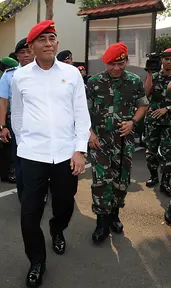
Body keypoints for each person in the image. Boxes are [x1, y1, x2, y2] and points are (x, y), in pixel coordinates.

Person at [11, 20, 91, 287]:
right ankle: (36, 261)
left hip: (66, 154)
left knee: (65, 203)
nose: (48, 43)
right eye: (42, 39)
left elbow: (82, 113)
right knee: (29, 212)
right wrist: (24, 143)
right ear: (31, 46)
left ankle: (57, 229)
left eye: (52, 38)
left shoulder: (72, 73)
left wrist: (80, 150)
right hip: (33, 155)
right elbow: (18, 113)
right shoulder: (20, 76)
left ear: (57, 43)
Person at [87, 42, 148, 243]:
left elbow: (142, 105)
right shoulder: (94, 82)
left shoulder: (133, 81)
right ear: (105, 63)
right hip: (100, 142)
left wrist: (133, 122)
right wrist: (90, 134)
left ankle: (114, 215)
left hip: (124, 141)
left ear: (126, 62)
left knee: (121, 181)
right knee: (100, 181)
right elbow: (82, 112)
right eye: (112, 64)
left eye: (120, 63)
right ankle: (101, 221)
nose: (116, 68)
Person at [0, 37, 35, 202]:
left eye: (28, 51)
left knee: (40, 161)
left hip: (40, 123)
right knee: (20, 161)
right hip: (18, 124)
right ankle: (24, 196)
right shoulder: (10, 75)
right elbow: (3, 102)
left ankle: (40, 194)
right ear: (17, 56)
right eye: (22, 52)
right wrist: (2, 126)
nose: (25, 55)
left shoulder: (44, 71)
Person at [143, 48, 171, 194]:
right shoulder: (154, 76)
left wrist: (167, 108)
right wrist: (149, 72)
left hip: (169, 122)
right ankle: (154, 176)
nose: (169, 62)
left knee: (168, 154)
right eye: (166, 59)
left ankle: (166, 183)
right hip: (153, 120)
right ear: (161, 60)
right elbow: (145, 93)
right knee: (150, 152)